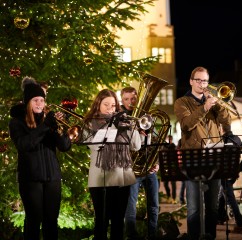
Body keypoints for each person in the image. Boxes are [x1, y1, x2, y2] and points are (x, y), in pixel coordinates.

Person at [9, 77, 71, 240]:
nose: (39, 104)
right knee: (34, 221)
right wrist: (45, 126)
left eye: (42, 100)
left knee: (51, 222)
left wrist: (61, 128)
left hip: (53, 179)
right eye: (35, 100)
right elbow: (24, 144)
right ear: (27, 102)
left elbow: (64, 146)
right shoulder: (17, 122)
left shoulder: (49, 121)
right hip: (31, 180)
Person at [174, 66, 233, 240]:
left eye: (205, 80)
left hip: (213, 158)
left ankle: (210, 237)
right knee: (194, 207)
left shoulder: (213, 102)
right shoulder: (182, 102)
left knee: (213, 206)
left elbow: (227, 123)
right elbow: (186, 124)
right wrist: (204, 107)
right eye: (198, 80)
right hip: (193, 160)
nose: (202, 84)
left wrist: (218, 105)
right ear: (191, 81)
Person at [83, 89, 141, 240]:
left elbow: (136, 146)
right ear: (98, 105)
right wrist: (111, 126)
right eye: (106, 104)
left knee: (118, 222)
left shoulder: (122, 120)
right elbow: (96, 146)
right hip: (101, 180)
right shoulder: (90, 123)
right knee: (101, 222)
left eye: (113, 105)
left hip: (123, 178)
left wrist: (131, 128)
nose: (110, 108)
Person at [122, 86, 160, 240]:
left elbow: (156, 142)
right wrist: (134, 131)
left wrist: (156, 162)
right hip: (132, 168)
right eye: (127, 99)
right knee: (130, 206)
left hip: (149, 167)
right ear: (122, 101)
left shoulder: (147, 117)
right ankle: (132, 236)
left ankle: (153, 235)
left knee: (154, 205)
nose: (130, 102)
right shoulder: (122, 118)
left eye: (133, 99)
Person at [162, 135, 177, 204]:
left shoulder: (174, 147)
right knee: (165, 183)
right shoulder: (164, 147)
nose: (169, 140)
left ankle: (174, 198)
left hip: (172, 166)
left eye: (170, 139)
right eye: (168, 139)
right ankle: (168, 196)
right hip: (166, 167)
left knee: (173, 183)